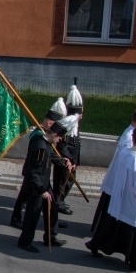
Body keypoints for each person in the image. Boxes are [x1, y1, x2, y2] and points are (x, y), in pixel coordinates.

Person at [86, 127, 136, 273]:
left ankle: (96, 243)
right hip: (135, 203)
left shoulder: (125, 153)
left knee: (115, 227)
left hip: (121, 198)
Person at [90, 107, 136, 234]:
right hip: (121, 179)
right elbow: (131, 158)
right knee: (114, 211)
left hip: (123, 177)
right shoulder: (129, 137)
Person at [10, 98, 70, 228]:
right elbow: (43, 153)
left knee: (33, 198)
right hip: (33, 170)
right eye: (54, 124)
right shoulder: (38, 135)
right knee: (24, 196)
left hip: (40, 172)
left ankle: (52, 224)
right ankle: (16, 218)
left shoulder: (44, 134)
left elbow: (51, 154)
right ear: (49, 123)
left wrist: (62, 161)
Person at [16, 118, 68, 253]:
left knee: (52, 209)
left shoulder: (45, 144)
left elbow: (51, 157)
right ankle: (25, 241)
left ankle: (51, 237)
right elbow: (33, 173)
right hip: (36, 187)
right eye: (59, 138)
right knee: (32, 215)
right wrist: (41, 191)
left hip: (44, 184)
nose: (59, 141)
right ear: (54, 135)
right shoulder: (41, 148)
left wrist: (63, 161)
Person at [54, 85, 84, 217]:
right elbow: (63, 145)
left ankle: (61, 200)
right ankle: (57, 203)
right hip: (66, 159)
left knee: (69, 181)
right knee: (61, 182)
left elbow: (76, 143)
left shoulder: (75, 124)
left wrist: (76, 161)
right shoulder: (67, 124)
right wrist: (69, 160)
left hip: (73, 159)